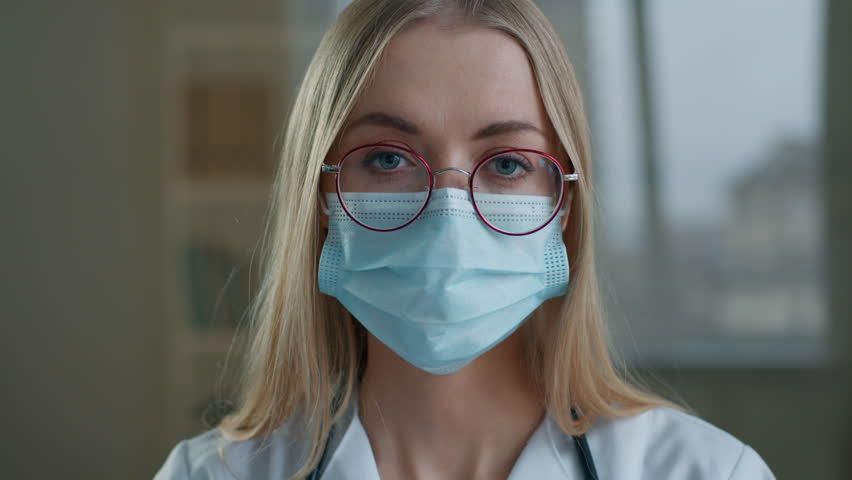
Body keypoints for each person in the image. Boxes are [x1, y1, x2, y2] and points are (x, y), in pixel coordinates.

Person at [156, 0, 775, 478]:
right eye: (389, 159)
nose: (447, 215)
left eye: (507, 164)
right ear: (322, 196)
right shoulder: (212, 474)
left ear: (563, 204)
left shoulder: (706, 472)